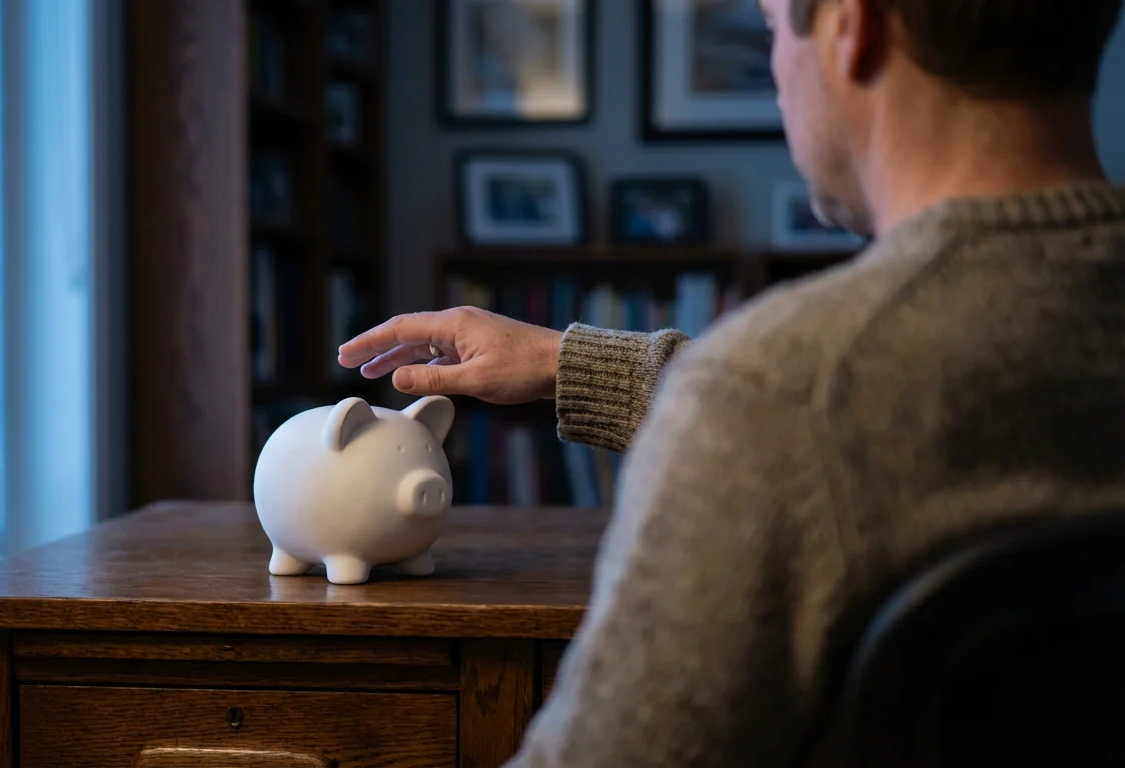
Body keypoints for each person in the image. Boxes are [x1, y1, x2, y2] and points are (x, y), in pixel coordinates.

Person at [340, 0, 1125, 765]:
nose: (779, 71)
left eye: (772, 26)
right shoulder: (782, 393)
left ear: (853, 28)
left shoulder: (776, 390)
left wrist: (726, 394)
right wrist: (567, 363)